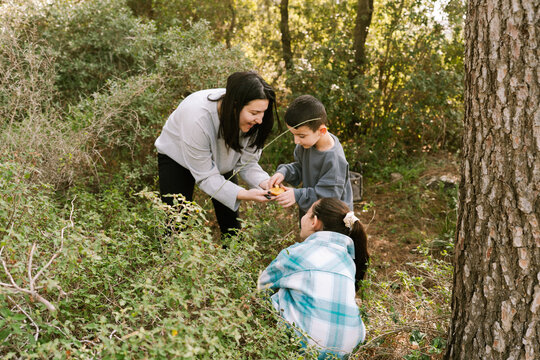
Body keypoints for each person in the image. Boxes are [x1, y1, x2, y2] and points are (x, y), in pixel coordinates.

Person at [155, 71, 277, 237]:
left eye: (263, 112)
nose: (260, 120)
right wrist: (245, 194)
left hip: (222, 158)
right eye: (254, 113)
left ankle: (234, 260)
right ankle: (169, 260)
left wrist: (266, 183)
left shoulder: (255, 120)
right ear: (234, 105)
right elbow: (207, 177)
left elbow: (247, 163)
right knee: (176, 221)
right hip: (177, 158)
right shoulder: (197, 118)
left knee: (232, 226)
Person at [258, 197, 369, 359]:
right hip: (347, 350)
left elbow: (261, 288)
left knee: (278, 293)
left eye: (307, 213)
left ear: (314, 221)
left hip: (306, 351)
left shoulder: (295, 253)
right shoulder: (348, 261)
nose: (304, 216)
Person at [267, 95, 353, 220]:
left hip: (333, 220)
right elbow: (301, 167)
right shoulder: (307, 144)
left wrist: (297, 195)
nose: (296, 141)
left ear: (322, 131)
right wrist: (284, 172)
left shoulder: (334, 159)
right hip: (312, 215)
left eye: (301, 136)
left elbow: (328, 197)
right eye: (293, 135)